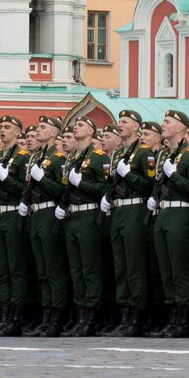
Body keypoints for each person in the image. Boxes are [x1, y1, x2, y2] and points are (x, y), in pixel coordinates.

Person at [56, 115, 112, 337]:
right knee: (76, 269)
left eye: (80, 125)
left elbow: (105, 188)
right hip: (71, 217)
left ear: (90, 132)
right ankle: (80, 315)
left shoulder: (98, 158)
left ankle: (91, 317)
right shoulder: (70, 159)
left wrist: (83, 184)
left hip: (88, 215)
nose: (75, 128)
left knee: (89, 268)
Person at [103, 111, 156, 337]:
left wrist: (130, 176)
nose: (120, 125)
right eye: (119, 122)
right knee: (121, 266)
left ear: (136, 127)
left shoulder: (144, 154)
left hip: (135, 210)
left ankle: (136, 317)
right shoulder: (117, 156)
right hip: (118, 211)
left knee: (134, 265)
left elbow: (150, 184)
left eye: (124, 122)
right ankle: (124, 315)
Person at [149, 112, 189, 338]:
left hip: (181, 213)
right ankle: (172, 316)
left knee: (180, 268)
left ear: (180, 128)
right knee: (166, 268)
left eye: (168, 122)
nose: (164, 125)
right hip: (163, 214)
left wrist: (175, 177)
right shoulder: (165, 156)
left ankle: (184, 318)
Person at [0, 115, 31, 337]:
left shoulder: (23, 158)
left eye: (7, 127)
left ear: (18, 131)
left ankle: (16, 318)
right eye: (1, 127)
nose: (2, 131)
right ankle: (4, 317)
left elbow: (25, 189)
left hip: (12, 215)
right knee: (2, 270)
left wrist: (7, 180)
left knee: (15, 269)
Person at [22, 116, 69, 337]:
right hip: (36, 214)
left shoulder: (58, 159)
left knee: (53, 268)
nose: (38, 130)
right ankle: (46, 316)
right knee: (42, 271)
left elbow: (62, 191)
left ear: (53, 133)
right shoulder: (38, 158)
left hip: (50, 212)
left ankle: (56, 318)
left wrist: (42, 179)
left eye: (42, 127)